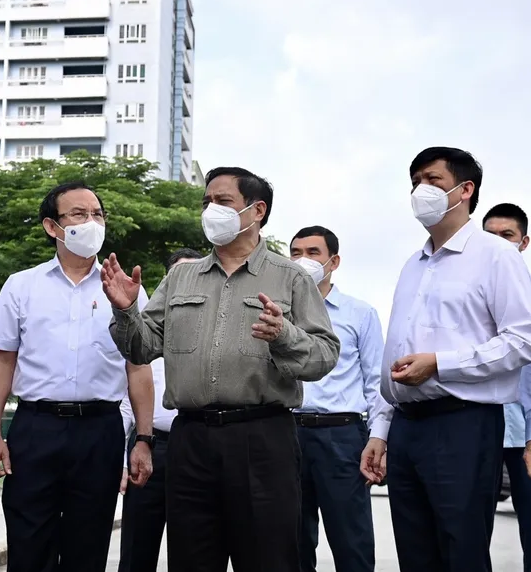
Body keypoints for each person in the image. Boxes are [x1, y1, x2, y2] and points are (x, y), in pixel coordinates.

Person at [104, 166, 340, 572]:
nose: (210, 210)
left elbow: (324, 355)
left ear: (257, 210)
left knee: (268, 558)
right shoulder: (181, 277)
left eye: (223, 201)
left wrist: (284, 334)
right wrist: (126, 310)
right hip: (191, 439)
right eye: (207, 202)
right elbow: (141, 348)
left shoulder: (291, 278)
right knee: (192, 558)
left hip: (263, 438)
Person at [360, 147, 531, 572]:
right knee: (415, 552)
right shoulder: (412, 266)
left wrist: (441, 363)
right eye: (415, 181)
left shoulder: (497, 256)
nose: (421, 189)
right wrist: (380, 430)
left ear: (465, 189)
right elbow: (394, 355)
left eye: (432, 180)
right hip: (408, 426)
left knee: (461, 549)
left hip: (464, 423)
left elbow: (522, 340)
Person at [0, 181, 155, 572]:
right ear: (51, 226)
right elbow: (2, 362)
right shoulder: (22, 285)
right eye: (78, 214)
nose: (91, 222)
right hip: (35, 428)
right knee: (28, 545)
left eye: (97, 214)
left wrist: (143, 439)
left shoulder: (126, 290)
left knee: (88, 545)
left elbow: (138, 367)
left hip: (100, 430)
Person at [289, 226, 384, 572]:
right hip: (288, 432)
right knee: (292, 539)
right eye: (296, 252)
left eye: (313, 252)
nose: (303, 260)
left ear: (334, 260)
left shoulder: (359, 314)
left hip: (342, 435)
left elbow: (376, 380)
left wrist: (379, 436)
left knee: (351, 537)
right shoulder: (279, 312)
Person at [117, 248, 197, 572]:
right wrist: (124, 457)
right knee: (138, 549)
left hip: (195, 447)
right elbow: (126, 396)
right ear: (167, 280)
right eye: (180, 275)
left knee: (195, 549)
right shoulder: (146, 328)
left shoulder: (216, 332)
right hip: (149, 447)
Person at [482, 202, 531, 571]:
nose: (497, 243)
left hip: (522, 435)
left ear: (524, 242)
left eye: (507, 236)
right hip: (475, 428)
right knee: (468, 529)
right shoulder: (466, 291)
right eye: (490, 236)